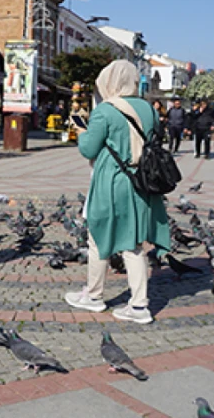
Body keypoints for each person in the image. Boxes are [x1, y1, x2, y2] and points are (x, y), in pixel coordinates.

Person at [63, 60, 170, 325]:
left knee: (98, 237)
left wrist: (80, 129)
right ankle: (139, 305)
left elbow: (89, 149)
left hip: (113, 181)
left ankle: (94, 295)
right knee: (133, 244)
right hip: (141, 182)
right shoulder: (149, 109)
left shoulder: (106, 110)